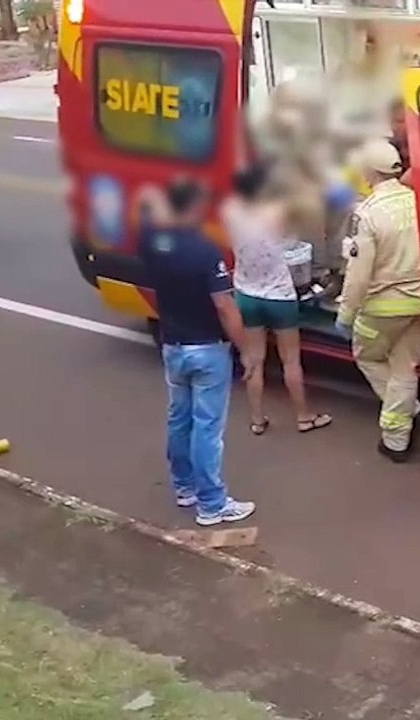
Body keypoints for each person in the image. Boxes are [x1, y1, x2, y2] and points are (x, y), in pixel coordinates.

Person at [137, 177, 257, 526]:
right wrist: (246, 351)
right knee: (207, 428)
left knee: (179, 418)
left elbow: (146, 206)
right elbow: (225, 307)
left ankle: (184, 487)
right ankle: (212, 504)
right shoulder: (204, 250)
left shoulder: (150, 238)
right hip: (207, 349)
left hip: (173, 346)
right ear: (192, 207)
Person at [221, 161, 333, 436]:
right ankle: (304, 416)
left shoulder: (230, 211)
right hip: (280, 295)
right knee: (291, 360)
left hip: (247, 292)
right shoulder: (277, 213)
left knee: (255, 360)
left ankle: (258, 419)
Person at [336, 138, 420, 463]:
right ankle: (400, 429)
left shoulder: (369, 214)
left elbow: (359, 275)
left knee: (368, 357)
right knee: (406, 367)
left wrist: (346, 313)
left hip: (382, 308)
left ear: (370, 172)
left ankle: (399, 423)